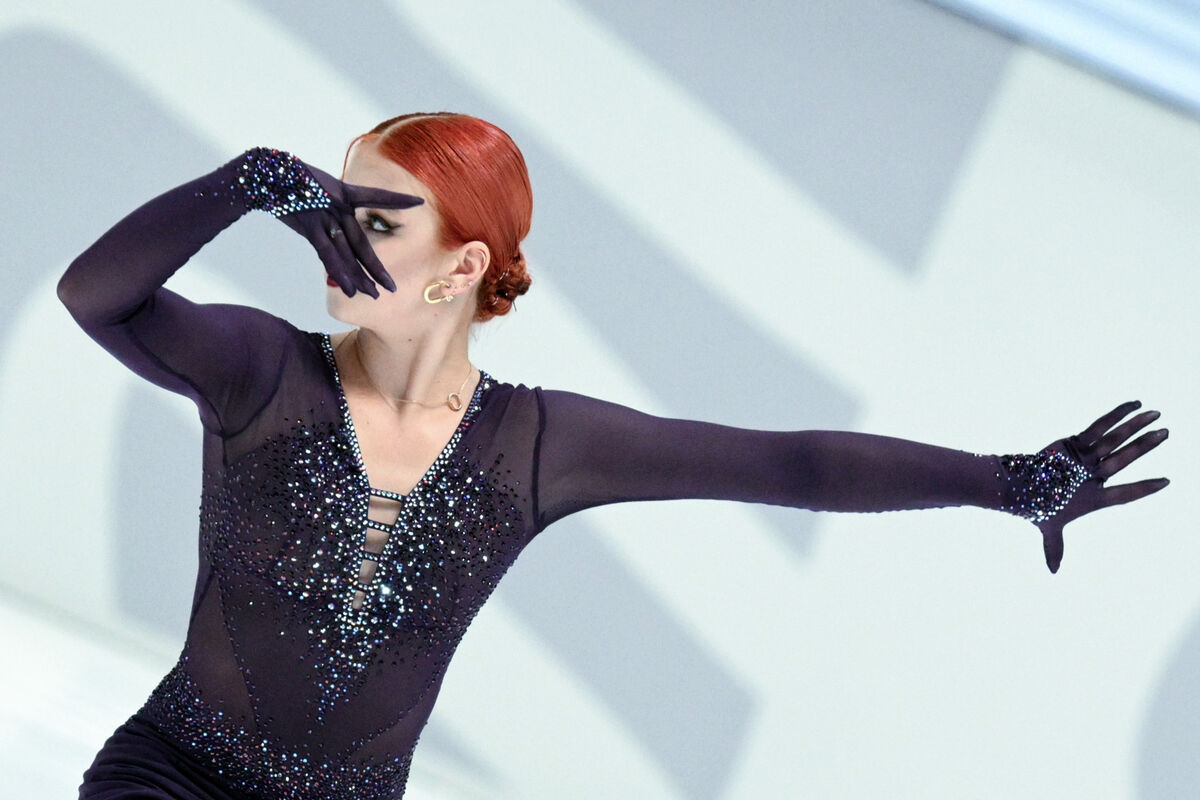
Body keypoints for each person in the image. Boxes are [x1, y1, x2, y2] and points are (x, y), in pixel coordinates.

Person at [60, 113, 1169, 800]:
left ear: (463, 268)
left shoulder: (537, 445)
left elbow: (789, 465)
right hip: (172, 776)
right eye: (330, 206)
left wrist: (1006, 481)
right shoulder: (261, 369)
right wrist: (247, 184)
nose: (333, 234)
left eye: (374, 220)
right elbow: (95, 296)